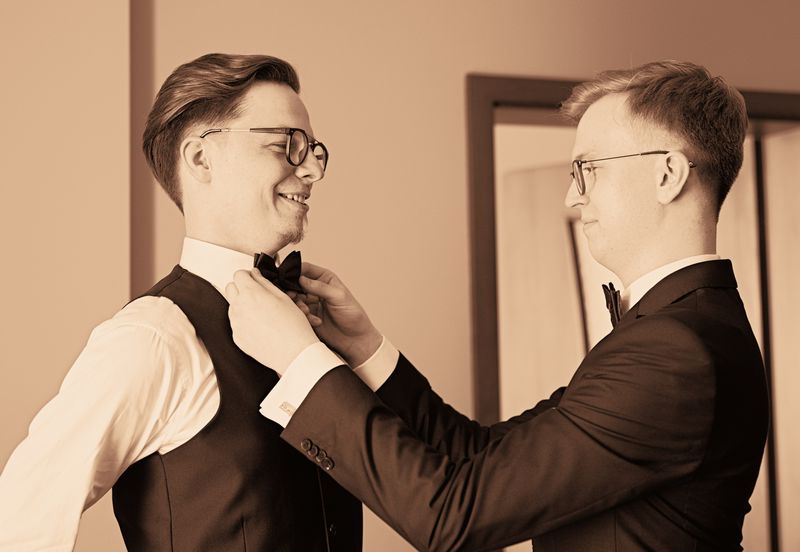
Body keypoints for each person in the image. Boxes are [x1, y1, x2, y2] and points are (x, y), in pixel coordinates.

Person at [224, 60, 770, 551]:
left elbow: (449, 515)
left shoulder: (674, 351)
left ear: (667, 174)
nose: (572, 196)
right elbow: (476, 453)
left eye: (588, 169)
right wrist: (365, 347)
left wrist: (301, 361)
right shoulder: (676, 331)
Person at [0, 53, 363, 551]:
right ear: (200, 158)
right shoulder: (151, 338)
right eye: (287, 144)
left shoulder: (313, 320)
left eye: (314, 150)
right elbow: (17, 523)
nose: (312, 169)